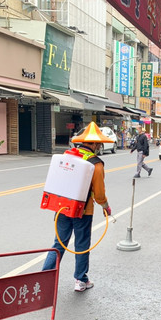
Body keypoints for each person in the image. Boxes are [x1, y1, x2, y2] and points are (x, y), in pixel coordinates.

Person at [42, 122, 112, 292]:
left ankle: (44, 278)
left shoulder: (68, 156)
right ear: (94, 144)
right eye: (99, 144)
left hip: (62, 207)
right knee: (82, 245)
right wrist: (106, 206)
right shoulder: (96, 163)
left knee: (58, 243)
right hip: (83, 211)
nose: (99, 147)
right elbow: (99, 192)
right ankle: (81, 280)